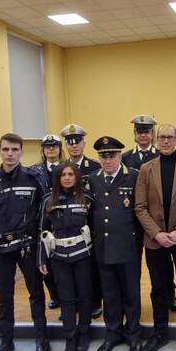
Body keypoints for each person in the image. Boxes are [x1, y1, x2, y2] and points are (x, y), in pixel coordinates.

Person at [0, 133, 50, 351]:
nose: (10, 154)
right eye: (6, 149)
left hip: (27, 245)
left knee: (36, 293)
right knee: (4, 296)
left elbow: (43, 209)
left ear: (21, 152)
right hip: (1, 248)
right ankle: (6, 342)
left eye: (15, 150)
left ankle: (42, 338)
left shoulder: (33, 178)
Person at [135, 124, 176, 351]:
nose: (165, 141)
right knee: (159, 288)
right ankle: (159, 332)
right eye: (161, 137)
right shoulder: (145, 169)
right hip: (156, 241)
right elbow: (140, 207)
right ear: (155, 139)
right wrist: (157, 233)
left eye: (169, 137)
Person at [88, 136, 143, 351]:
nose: (108, 159)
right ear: (99, 158)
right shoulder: (92, 179)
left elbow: (140, 211)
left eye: (112, 155)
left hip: (128, 246)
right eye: (103, 156)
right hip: (103, 246)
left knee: (131, 293)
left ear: (120, 155)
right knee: (109, 294)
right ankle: (112, 333)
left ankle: (134, 334)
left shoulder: (134, 177)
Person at [38, 162, 94, 351]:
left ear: (77, 177)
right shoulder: (48, 201)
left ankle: (84, 333)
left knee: (85, 295)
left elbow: (94, 229)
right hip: (59, 258)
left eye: (71, 174)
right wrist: (41, 259)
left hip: (83, 256)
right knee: (66, 298)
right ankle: (70, 338)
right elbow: (42, 232)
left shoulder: (87, 199)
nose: (68, 178)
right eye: (63, 175)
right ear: (58, 178)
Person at [60, 123, 103, 320]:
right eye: (70, 143)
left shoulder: (94, 167)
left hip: (90, 224)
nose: (74, 146)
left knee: (91, 269)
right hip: (68, 227)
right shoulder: (62, 169)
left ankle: (94, 302)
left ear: (84, 143)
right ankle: (72, 304)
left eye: (77, 142)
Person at [31, 134, 63, 310]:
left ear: (60, 149)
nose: (51, 149)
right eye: (47, 146)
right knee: (45, 262)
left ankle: (64, 294)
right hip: (43, 221)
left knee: (62, 261)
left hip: (62, 221)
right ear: (42, 150)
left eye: (54, 146)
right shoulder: (35, 172)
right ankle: (54, 295)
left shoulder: (68, 169)